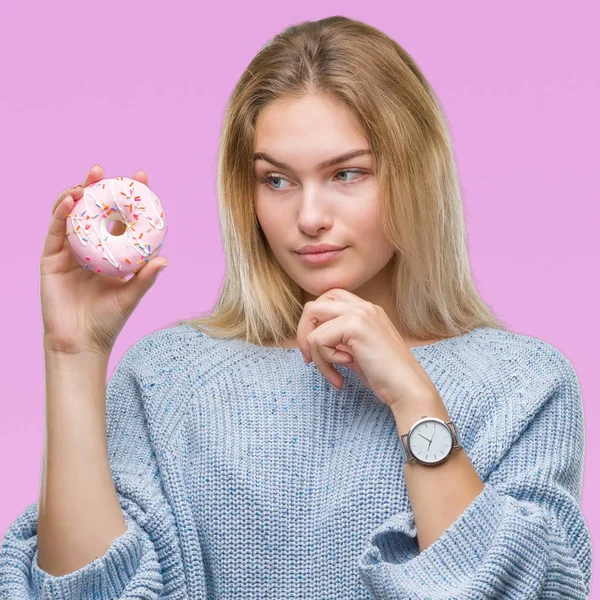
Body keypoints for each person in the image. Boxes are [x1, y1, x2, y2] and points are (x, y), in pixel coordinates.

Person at [0, 15, 592, 600]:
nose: (309, 216)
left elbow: (523, 589)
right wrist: (73, 354)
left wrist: (413, 398)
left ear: (416, 174)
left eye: (347, 173)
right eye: (277, 181)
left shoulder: (523, 386)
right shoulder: (167, 379)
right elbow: (86, 595)